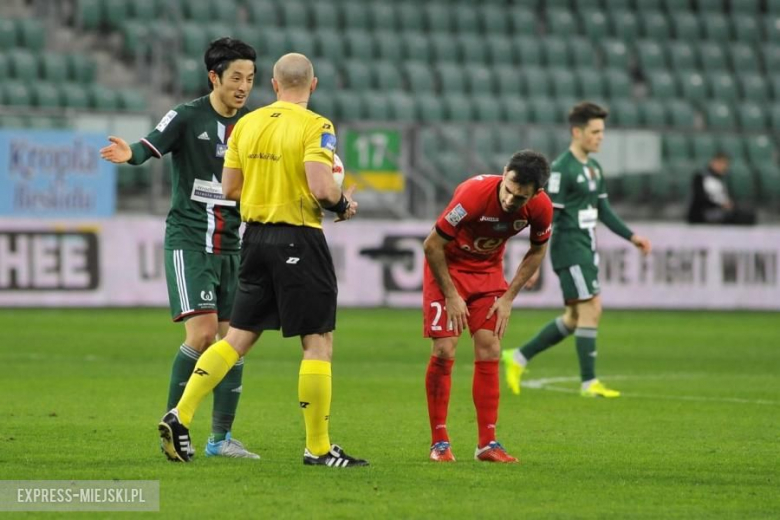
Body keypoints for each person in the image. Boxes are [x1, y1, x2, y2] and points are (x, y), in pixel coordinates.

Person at [157, 53, 368, 468]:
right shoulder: (317, 126)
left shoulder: (246, 125)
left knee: (236, 339)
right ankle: (319, 448)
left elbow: (231, 188)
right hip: (299, 238)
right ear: (313, 85)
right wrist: (343, 205)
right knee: (318, 342)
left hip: (253, 239)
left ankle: (180, 414)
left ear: (272, 85)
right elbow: (322, 188)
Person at [100, 38, 259, 459]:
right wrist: (128, 152)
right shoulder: (188, 117)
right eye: (236, 78)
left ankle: (220, 440)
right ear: (214, 77)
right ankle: (174, 425)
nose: (244, 86)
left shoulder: (253, 124)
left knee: (232, 341)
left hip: (233, 246)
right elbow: (148, 145)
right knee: (204, 333)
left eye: (250, 79)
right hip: (190, 240)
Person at [502, 102, 652, 399]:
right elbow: (549, 219)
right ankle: (589, 384)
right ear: (577, 132)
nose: (600, 137)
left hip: (587, 247)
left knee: (573, 318)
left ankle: (517, 357)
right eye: (595, 131)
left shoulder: (594, 168)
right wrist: (534, 264)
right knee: (591, 309)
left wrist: (632, 236)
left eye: (602, 132)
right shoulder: (561, 170)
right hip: (570, 249)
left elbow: (604, 211)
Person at [423, 150, 553, 463]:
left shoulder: (541, 208)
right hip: (449, 269)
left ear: (537, 193)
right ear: (504, 173)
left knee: (490, 348)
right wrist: (452, 295)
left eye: (520, 197)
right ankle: (439, 442)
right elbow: (431, 245)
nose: (510, 200)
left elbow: (537, 251)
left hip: (487, 273)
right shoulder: (473, 195)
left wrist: (509, 297)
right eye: (508, 190)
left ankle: (487, 444)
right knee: (444, 349)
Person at [687, 152, 756, 225]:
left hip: (719, 211)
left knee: (748, 215)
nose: (723, 166)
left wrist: (730, 205)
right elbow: (700, 198)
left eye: (726, 164)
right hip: (702, 213)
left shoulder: (722, 180)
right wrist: (720, 205)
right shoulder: (700, 177)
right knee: (736, 217)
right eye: (721, 163)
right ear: (713, 162)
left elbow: (725, 198)